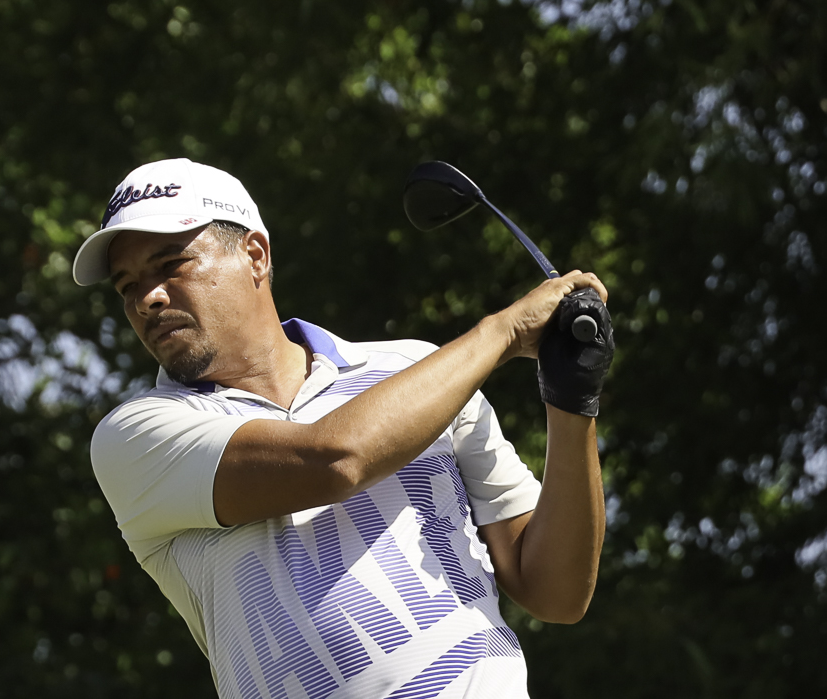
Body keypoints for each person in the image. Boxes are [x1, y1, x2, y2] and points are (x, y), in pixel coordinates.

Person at [72, 158, 614, 698]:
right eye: (127, 286)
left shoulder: (418, 369)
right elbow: (334, 460)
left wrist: (572, 398)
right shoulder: (135, 436)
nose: (147, 299)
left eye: (171, 263)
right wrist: (505, 330)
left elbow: (557, 593)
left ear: (255, 255)